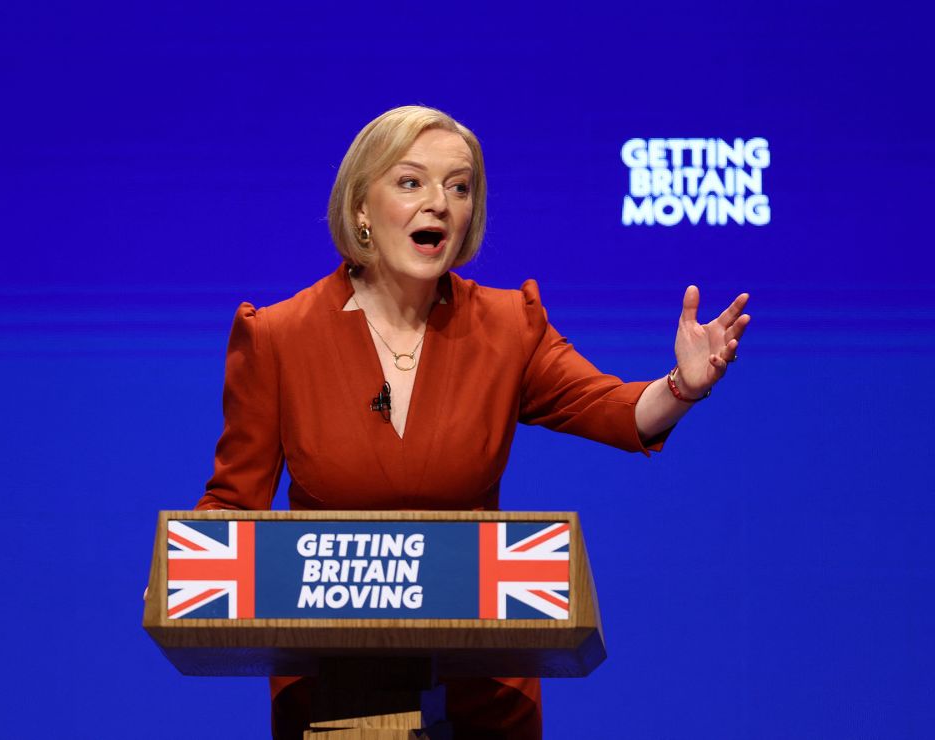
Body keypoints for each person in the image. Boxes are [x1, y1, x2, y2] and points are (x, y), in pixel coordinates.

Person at [196, 106, 750, 739]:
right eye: (411, 183)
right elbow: (231, 505)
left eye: (458, 187)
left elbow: (612, 408)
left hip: (483, 689)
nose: (439, 203)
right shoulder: (278, 338)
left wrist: (683, 386)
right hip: (334, 691)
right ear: (359, 209)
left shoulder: (508, 325)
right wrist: (192, 561)